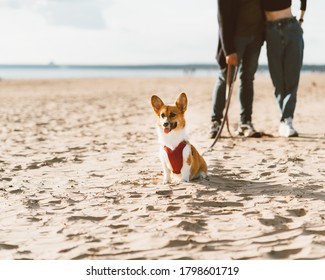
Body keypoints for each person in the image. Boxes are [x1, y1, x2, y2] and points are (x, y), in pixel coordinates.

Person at [210, 0, 265, 139]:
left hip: (256, 37)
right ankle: (215, 122)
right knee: (225, 78)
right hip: (235, 39)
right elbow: (222, 19)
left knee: (248, 79)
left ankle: (245, 122)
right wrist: (228, 50)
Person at [262, 0, 306, 137]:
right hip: (271, 32)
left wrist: (300, 19)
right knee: (278, 81)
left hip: (291, 28)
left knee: (292, 80)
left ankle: (287, 120)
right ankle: (285, 121)